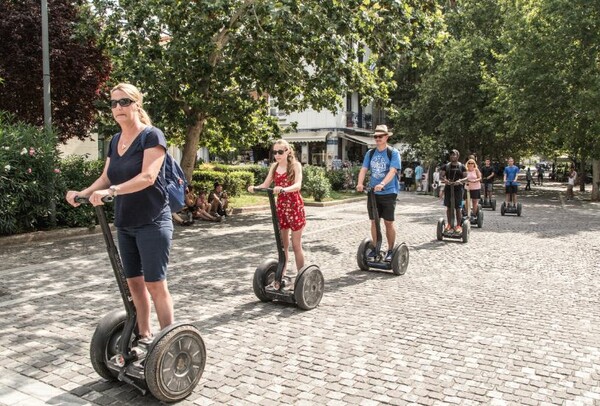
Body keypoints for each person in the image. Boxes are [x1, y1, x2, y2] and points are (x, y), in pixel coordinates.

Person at [66, 83, 174, 341]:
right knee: (134, 284)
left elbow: (148, 177)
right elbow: (106, 177)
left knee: (155, 284)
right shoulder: (115, 140)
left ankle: (169, 340)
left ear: (137, 104)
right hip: (125, 222)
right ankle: (144, 335)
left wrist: (112, 191)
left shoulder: (152, 136)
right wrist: (83, 192)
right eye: (113, 103)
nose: (118, 108)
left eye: (124, 102)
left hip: (153, 220)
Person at [248, 139, 306, 289]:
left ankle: (301, 278)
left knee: (296, 245)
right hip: (281, 208)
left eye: (280, 151)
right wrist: (255, 187)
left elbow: (298, 185)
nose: (277, 155)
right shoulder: (274, 167)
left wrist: (284, 189)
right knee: (283, 246)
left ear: (288, 151)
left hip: (294, 207)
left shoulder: (295, 165)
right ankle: (281, 276)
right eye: (275, 152)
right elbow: (266, 184)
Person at [356, 125, 401, 262]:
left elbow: (393, 171)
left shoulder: (393, 153)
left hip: (389, 192)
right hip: (373, 193)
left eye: (380, 136)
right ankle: (376, 248)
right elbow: (364, 169)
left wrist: (382, 184)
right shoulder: (370, 153)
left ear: (386, 137)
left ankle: (391, 250)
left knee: (388, 222)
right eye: (375, 136)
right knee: (374, 221)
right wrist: (360, 183)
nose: (377, 139)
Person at [440, 150, 467, 234]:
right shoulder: (446, 166)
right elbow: (441, 176)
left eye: (454, 155)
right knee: (449, 207)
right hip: (448, 188)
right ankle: (449, 225)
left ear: (457, 156)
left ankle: (458, 225)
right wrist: (445, 180)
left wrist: (460, 181)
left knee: (458, 207)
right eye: (451, 155)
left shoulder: (461, 166)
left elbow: (466, 178)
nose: (452, 156)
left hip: (458, 189)